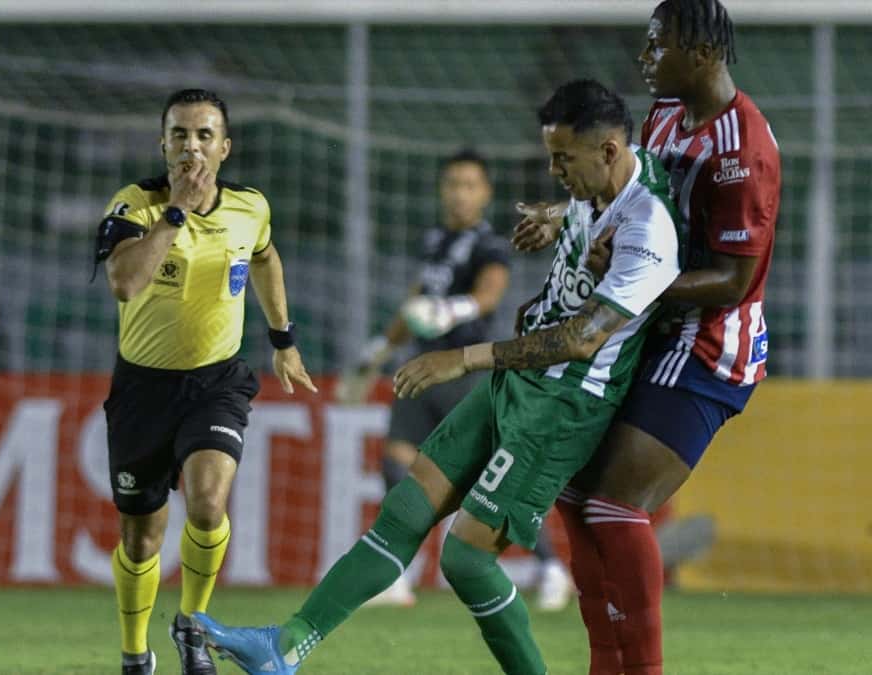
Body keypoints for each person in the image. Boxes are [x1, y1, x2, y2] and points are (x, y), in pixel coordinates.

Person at [192, 79, 682, 675]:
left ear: (606, 151)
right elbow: (592, 200)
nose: (554, 171)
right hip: (520, 381)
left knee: (467, 562)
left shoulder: (648, 228)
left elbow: (582, 340)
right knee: (402, 512)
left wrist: (465, 356)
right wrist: (558, 217)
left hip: (564, 402)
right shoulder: (609, 179)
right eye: (550, 156)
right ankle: (284, 647)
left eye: (562, 159)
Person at [514, 3, 779, 673]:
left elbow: (732, 280)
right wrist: (558, 212)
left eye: (658, 43)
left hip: (708, 346)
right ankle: (610, 663)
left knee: (612, 501)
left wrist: (638, 283)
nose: (645, 54)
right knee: (573, 492)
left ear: (699, 49)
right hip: (653, 331)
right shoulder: (665, 114)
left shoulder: (741, 149)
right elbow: (626, 190)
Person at [96, 88, 316, 675]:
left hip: (217, 381)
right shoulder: (136, 206)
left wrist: (283, 338)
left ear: (224, 147)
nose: (190, 146)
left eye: (202, 135)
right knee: (142, 538)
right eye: (179, 135)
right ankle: (135, 652)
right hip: (143, 387)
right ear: (162, 143)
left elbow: (266, 258)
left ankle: (193, 627)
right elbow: (123, 282)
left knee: (208, 502)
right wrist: (177, 215)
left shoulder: (250, 208)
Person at [337, 149, 514, 607]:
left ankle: (552, 567)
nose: (459, 193)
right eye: (453, 183)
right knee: (396, 467)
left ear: (486, 193)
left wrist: (450, 309)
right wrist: (379, 348)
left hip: (463, 370)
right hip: (419, 369)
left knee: (485, 483)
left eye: (469, 185)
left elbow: (490, 294)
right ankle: (395, 575)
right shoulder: (435, 241)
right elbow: (415, 303)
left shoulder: (489, 245)